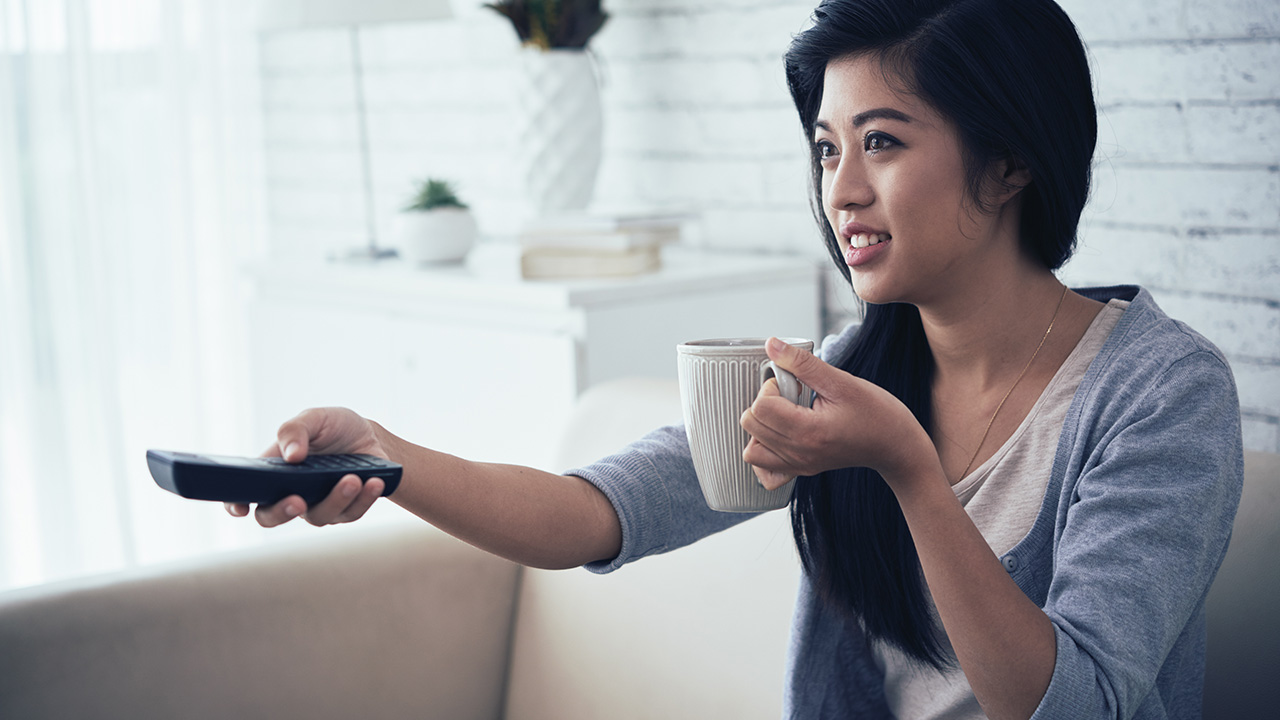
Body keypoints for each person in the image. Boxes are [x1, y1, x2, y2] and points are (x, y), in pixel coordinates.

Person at [228, 0, 1243, 717]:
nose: (839, 189)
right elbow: (594, 514)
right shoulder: (840, 372)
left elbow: (1070, 706)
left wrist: (908, 472)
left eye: (880, 143)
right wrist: (385, 455)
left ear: (1011, 160)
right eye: (823, 147)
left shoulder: (1157, 393)